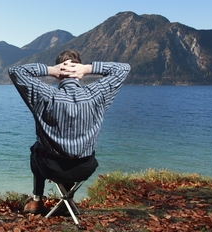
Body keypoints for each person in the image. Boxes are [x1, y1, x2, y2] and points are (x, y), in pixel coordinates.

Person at [8, 50, 130, 214]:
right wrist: (87, 68)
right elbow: (123, 68)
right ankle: (68, 202)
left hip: (51, 168)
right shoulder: (97, 94)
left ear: (59, 72)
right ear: (79, 71)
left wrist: (51, 70)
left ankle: (37, 201)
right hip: (85, 168)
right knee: (70, 152)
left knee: (36, 149)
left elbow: (15, 71)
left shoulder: (45, 95)